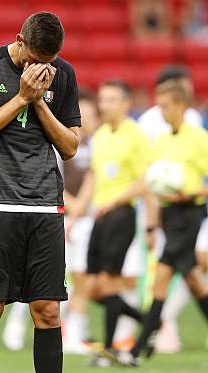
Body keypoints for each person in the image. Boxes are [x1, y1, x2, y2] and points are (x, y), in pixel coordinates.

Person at [0, 12, 81, 373]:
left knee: (48, 310)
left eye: (49, 62)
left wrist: (40, 102)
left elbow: (70, 147)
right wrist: (22, 98)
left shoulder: (64, 74)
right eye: (35, 60)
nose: (41, 68)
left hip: (44, 204)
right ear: (20, 40)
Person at [115, 81, 208, 369]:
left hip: (190, 213)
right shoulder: (160, 142)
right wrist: (141, 211)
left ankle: (137, 350)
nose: (161, 111)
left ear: (181, 105)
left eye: (165, 106)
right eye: (159, 105)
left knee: (161, 277)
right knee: (196, 284)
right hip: (170, 216)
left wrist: (194, 193)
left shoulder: (201, 139)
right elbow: (149, 181)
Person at [1, 89, 100, 355]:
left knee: (80, 278)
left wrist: (80, 210)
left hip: (85, 218)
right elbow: (52, 177)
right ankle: (17, 321)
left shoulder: (98, 144)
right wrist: (73, 207)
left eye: (92, 115)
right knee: (43, 279)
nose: (87, 119)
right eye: (84, 114)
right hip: (57, 215)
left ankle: (73, 333)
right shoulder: (59, 140)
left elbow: (95, 178)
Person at [68, 80, 150, 365]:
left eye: (112, 100)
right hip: (98, 216)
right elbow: (93, 176)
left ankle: (111, 348)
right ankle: (149, 323)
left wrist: (117, 203)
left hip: (120, 214)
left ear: (126, 103)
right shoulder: (101, 135)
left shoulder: (136, 136)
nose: (104, 105)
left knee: (110, 283)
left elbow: (145, 180)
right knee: (92, 284)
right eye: (103, 99)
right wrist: (79, 211)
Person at [137, 64, 204, 353]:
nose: (187, 89)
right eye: (181, 84)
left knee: (185, 267)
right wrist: (152, 218)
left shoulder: (195, 120)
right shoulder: (150, 123)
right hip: (156, 202)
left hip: (187, 204)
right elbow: (148, 170)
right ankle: (151, 329)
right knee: (156, 268)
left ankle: (157, 325)